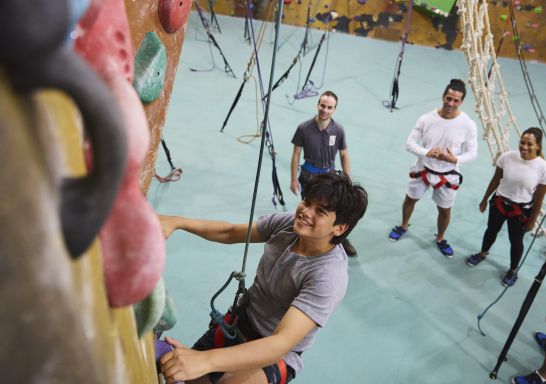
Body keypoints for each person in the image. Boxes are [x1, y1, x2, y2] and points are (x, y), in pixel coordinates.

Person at [158, 172, 368, 384]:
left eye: (320, 211)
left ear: (340, 228)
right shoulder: (287, 225)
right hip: (241, 322)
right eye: (306, 202)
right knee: (181, 372)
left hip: (276, 351)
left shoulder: (328, 276)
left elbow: (280, 343)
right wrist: (177, 222)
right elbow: (230, 232)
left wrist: (206, 360)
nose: (305, 212)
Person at [388, 79, 478, 258]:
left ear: (461, 102)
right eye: (448, 98)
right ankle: (404, 225)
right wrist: (426, 152)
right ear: (443, 96)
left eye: (455, 101)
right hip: (423, 168)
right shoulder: (427, 118)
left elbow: (472, 153)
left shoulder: (468, 124)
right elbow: (409, 143)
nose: (450, 104)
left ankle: (441, 238)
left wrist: (455, 159)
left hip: (448, 174)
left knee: (445, 209)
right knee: (410, 198)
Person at [465, 128, 546, 287]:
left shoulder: (542, 167)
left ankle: (513, 270)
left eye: (529, 144)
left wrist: (532, 220)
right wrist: (484, 199)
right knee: (491, 230)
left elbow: (539, 197)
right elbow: (496, 179)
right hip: (499, 203)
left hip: (521, 211)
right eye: (522, 142)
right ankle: (482, 253)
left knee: (515, 241)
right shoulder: (507, 157)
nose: (524, 147)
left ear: (538, 146)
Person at [290, 90, 357, 257]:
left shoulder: (338, 130)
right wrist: (293, 180)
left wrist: (347, 180)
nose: (325, 110)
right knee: (311, 212)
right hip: (309, 177)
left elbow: (344, 154)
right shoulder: (304, 128)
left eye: (329, 107)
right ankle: (307, 241)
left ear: (334, 109)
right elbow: (296, 154)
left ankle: (341, 240)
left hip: (329, 179)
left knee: (334, 213)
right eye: (322, 106)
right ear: (317, 105)